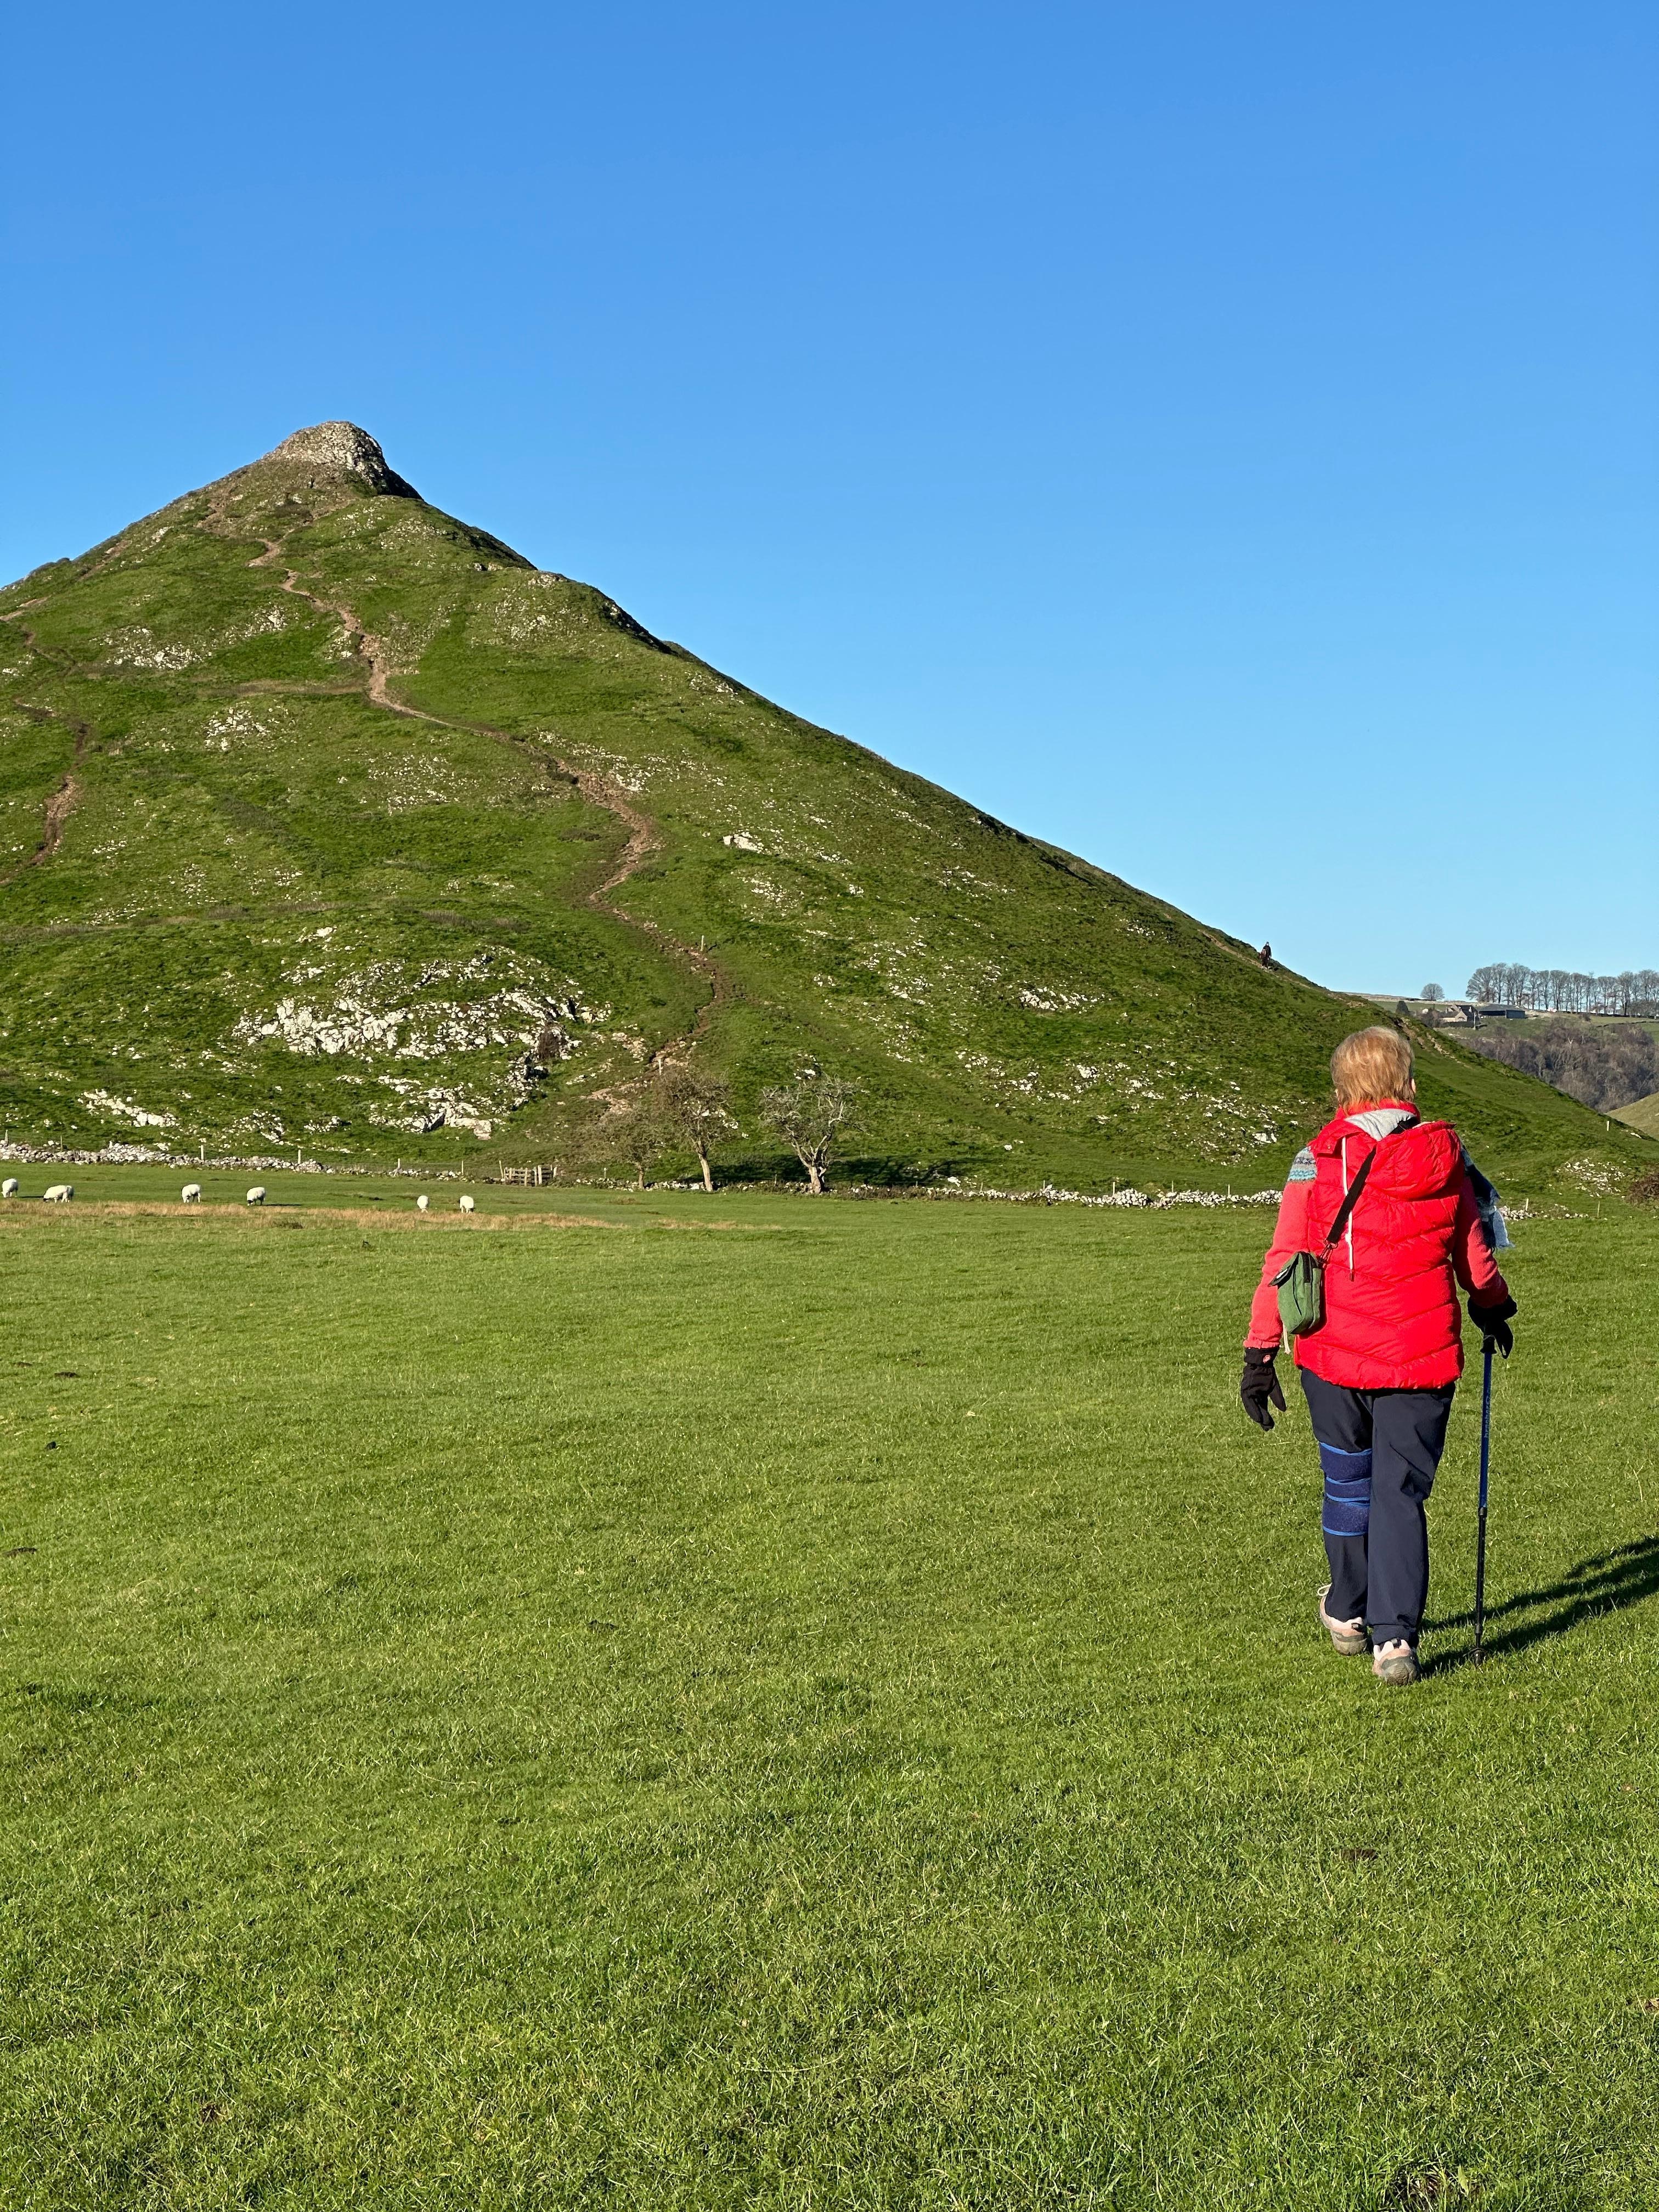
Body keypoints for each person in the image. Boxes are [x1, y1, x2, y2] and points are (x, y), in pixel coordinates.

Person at [1238, 1026, 1515, 1685]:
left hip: (1333, 1354)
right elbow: (1473, 1252)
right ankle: (1396, 1641)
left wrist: (1260, 1351)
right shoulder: (1447, 1157)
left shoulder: (1316, 1158)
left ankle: (1346, 1610)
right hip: (1423, 1357)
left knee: (1348, 1485)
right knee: (1399, 1493)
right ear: (1409, 1085)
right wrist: (1493, 1307)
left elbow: (1285, 1260)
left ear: (1341, 1090)